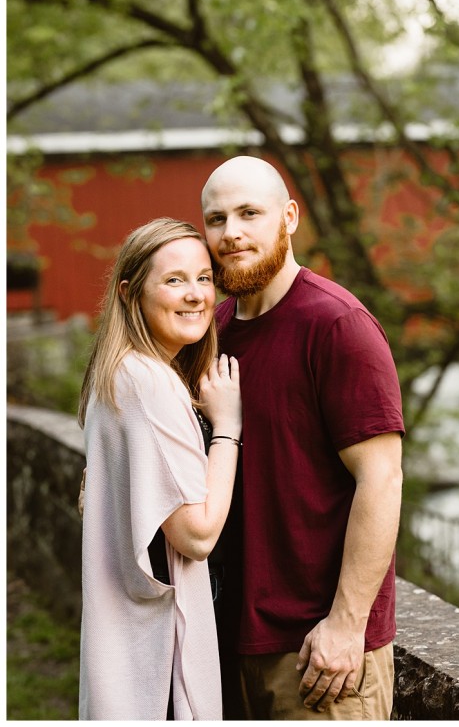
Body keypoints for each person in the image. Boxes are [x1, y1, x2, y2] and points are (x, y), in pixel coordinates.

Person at [200, 155, 405, 720]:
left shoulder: (337, 325)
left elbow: (382, 479)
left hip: (320, 654)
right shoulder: (211, 331)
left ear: (288, 217)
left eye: (249, 213)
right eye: (216, 220)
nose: (231, 233)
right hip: (226, 640)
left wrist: (346, 623)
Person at [78, 218, 242, 719]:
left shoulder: (117, 374)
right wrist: (228, 426)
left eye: (204, 278)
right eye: (174, 280)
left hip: (127, 646)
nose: (195, 295)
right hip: (157, 662)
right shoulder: (151, 383)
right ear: (130, 293)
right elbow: (197, 535)